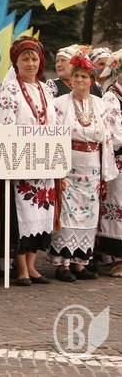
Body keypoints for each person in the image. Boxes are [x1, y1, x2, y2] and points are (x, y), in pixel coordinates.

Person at [51, 53, 119, 282]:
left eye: (84, 76)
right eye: (76, 76)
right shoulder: (60, 104)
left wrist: (105, 171)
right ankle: (63, 264)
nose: (80, 80)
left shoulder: (100, 105)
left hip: (92, 167)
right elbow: (55, 137)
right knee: (67, 213)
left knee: (89, 214)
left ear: (91, 80)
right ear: (70, 79)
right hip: (68, 167)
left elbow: (107, 139)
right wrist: (57, 170)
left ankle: (80, 262)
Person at [0, 38, 56, 286]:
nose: (31, 63)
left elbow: (53, 122)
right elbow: (5, 124)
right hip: (21, 159)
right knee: (21, 214)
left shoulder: (45, 89)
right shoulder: (10, 88)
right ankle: (20, 266)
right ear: (16, 62)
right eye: (25, 59)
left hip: (44, 160)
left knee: (42, 213)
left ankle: (32, 265)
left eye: (34, 58)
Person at [99, 54, 122, 277]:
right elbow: (115, 135)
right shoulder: (111, 97)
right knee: (118, 206)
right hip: (119, 162)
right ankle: (119, 259)